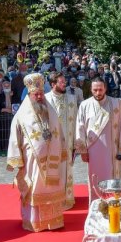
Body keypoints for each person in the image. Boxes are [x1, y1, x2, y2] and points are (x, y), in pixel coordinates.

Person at [7, 73, 68, 232]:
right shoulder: (21, 114)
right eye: (36, 94)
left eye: (41, 93)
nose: (40, 96)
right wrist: (17, 161)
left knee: (51, 187)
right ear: (29, 94)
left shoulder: (50, 110)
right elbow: (15, 138)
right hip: (31, 161)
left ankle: (53, 220)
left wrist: (63, 150)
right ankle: (34, 221)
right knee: (35, 187)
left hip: (52, 158)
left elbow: (59, 132)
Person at [75, 76, 121, 203]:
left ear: (105, 89)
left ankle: (113, 205)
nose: (98, 93)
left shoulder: (116, 103)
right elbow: (80, 128)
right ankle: (96, 204)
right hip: (93, 152)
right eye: (95, 90)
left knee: (112, 180)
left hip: (113, 150)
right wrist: (82, 151)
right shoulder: (84, 105)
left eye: (100, 89)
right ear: (91, 89)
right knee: (95, 178)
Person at [45, 72, 81, 210]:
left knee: (67, 170)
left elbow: (77, 121)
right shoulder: (46, 100)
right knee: (54, 171)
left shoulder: (72, 99)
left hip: (68, 142)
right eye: (61, 82)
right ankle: (53, 198)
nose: (64, 84)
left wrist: (76, 143)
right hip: (52, 144)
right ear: (53, 84)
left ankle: (67, 197)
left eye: (64, 81)